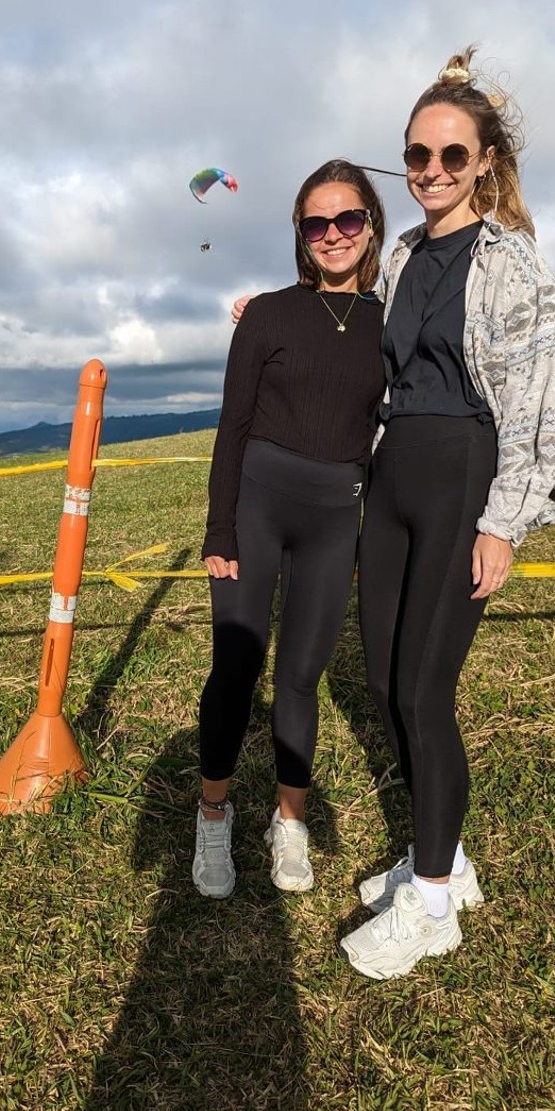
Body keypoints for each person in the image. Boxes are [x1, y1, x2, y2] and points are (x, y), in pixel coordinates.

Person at [233, 47, 555, 976]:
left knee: (425, 690)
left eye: (451, 157)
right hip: (392, 480)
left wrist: (504, 522)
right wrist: (270, 318)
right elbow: (342, 314)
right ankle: (442, 861)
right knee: (381, 683)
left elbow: (541, 395)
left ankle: (432, 905)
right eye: (416, 156)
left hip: (463, 474)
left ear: (485, 162)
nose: (430, 173)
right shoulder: (404, 253)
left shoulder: (510, 261)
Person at [193, 160, 387, 900]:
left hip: (337, 517)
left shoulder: (388, 321)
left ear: (370, 225)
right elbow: (232, 426)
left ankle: (290, 820)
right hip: (257, 508)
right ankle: (213, 815)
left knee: (301, 676)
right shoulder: (269, 313)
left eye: (347, 220)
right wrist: (220, 530)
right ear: (300, 237)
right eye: (316, 223)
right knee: (237, 669)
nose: (333, 235)